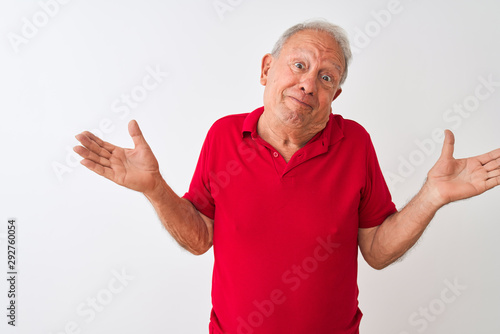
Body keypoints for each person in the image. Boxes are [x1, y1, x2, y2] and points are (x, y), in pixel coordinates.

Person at [74, 20, 500, 334]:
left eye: (326, 76)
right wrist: (154, 189)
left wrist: (432, 196)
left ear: (336, 94)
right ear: (266, 70)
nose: (308, 84)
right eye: (298, 65)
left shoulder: (355, 143)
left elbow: (376, 249)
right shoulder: (224, 136)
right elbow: (200, 237)